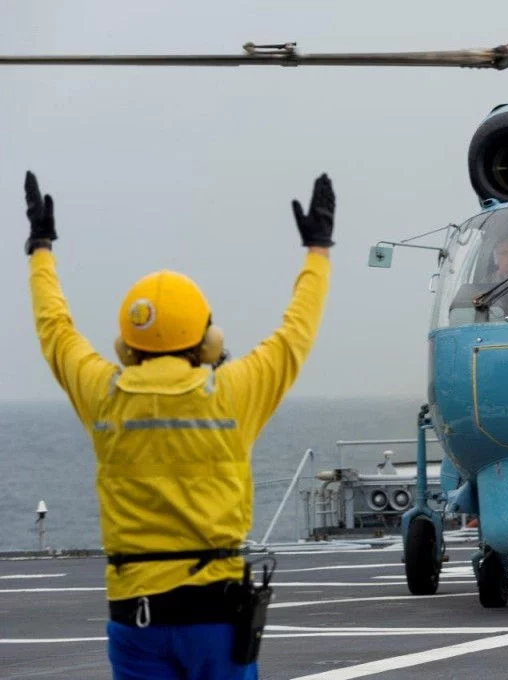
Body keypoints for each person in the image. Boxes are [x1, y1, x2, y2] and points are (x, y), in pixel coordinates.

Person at [22, 170, 335, 679]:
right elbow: (296, 330)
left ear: (126, 345)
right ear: (207, 340)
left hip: (135, 618)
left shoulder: (105, 397)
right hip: (215, 617)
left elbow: (54, 329)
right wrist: (317, 251)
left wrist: (41, 249)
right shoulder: (234, 393)